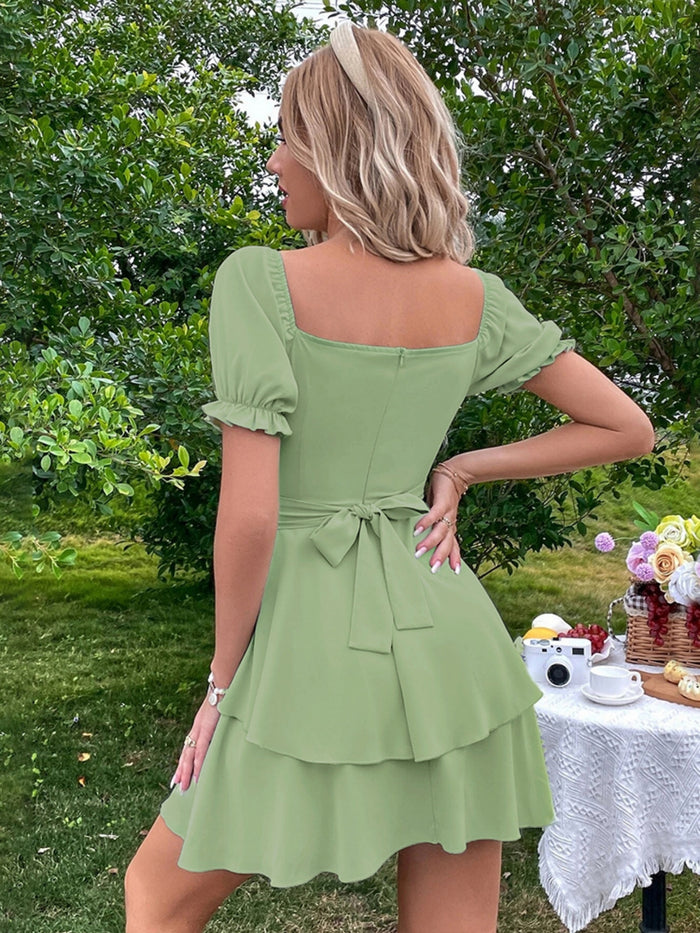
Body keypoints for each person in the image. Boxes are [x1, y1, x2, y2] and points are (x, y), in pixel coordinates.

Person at [123, 22, 655, 933]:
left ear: (335, 149)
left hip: (306, 647)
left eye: (287, 139)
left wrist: (219, 686)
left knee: (158, 894)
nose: (275, 163)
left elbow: (249, 518)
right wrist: (463, 467)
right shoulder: (473, 296)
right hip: (449, 644)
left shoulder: (259, 283)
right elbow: (627, 426)